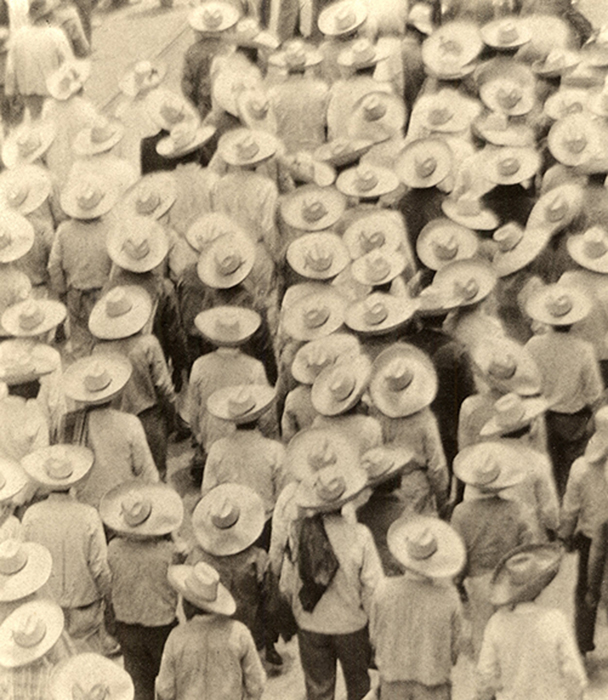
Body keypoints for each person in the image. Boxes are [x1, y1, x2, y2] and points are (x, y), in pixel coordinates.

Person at [285, 460, 383, 700]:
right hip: (351, 623)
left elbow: (287, 582)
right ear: (345, 500)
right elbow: (373, 588)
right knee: (360, 688)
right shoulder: (359, 535)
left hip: (311, 623)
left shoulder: (299, 532)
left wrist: (298, 613)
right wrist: (373, 628)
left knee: (318, 690)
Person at [21, 444, 112, 653]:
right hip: (84, 609)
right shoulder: (88, 515)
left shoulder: (31, 516)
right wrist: (109, 599)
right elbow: (100, 568)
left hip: (46, 609)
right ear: (74, 482)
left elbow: (26, 566)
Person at [451, 442, 535, 660]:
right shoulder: (518, 510)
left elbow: (458, 555)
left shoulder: (461, 513)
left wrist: (458, 581)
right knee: (513, 632)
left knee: (483, 633)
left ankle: (486, 684)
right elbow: (529, 548)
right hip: (510, 579)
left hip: (478, 581)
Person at [101, 481, 184, 700]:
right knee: (169, 684)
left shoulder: (114, 549)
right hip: (161, 626)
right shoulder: (168, 552)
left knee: (139, 685)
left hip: (127, 627)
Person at [370, 515, 465, 700]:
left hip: (393, 681)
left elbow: (374, 637)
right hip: (433, 684)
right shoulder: (448, 596)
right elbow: (455, 648)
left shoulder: (384, 589)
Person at [475, 543, 587, 700]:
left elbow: (485, 677)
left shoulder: (496, 623)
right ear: (540, 586)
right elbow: (574, 675)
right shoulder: (555, 620)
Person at [188, 482, 282, 666]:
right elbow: (271, 604)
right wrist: (270, 636)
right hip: (251, 635)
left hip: (211, 636)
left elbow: (189, 601)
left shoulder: (196, 558)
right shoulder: (258, 559)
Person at [525, 282, 603, 498]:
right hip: (573, 422)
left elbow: (524, 381)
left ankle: (550, 518)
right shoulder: (584, 350)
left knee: (545, 473)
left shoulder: (533, 345)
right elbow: (594, 393)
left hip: (541, 418)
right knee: (569, 477)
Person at [156, 561, 266, 700]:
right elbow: (257, 684)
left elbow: (165, 689)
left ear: (187, 604)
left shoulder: (177, 637)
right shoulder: (238, 632)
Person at [61, 353, 159, 509]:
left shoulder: (68, 424)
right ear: (114, 394)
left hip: (86, 507)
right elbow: (148, 472)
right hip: (124, 507)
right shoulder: (129, 423)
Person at [202, 384, 285, 550]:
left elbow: (207, 492)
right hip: (265, 524)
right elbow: (282, 495)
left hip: (229, 524)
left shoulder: (218, 449)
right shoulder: (275, 450)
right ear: (259, 417)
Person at [559, 406, 608, 655]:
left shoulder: (581, 468)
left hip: (590, 538)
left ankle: (582, 641)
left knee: (586, 593)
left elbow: (571, 509)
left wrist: (565, 536)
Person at [4, 0, 73, 120]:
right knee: (58, 121)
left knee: (38, 122)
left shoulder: (18, 38)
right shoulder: (56, 35)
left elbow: (11, 69)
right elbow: (68, 63)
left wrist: (10, 92)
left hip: (30, 94)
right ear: (49, 16)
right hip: (53, 91)